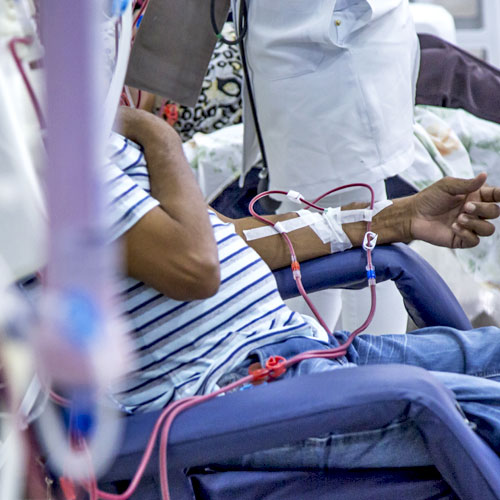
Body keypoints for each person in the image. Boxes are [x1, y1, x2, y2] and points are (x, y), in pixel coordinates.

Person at [106, 106, 500, 468]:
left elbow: (221, 239)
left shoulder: (93, 142)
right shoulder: (53, 163)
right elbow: (196, 265)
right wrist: (157, 134)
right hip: (236, 391)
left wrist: (400, 217)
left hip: (303, 349)